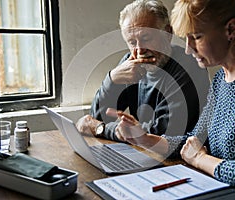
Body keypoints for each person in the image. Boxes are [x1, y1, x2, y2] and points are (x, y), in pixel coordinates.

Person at [113, 0, 235, 199]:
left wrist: (200, 159)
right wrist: (143, 138)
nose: (188, 49)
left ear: (230, 30)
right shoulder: (222, 78)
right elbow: (193, 141)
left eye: (196, 37)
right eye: (186, 38)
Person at [76, 0, 203, 141]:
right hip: (141, 152)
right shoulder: (130, 64)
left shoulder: (188, 66)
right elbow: (96, 118)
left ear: (167, 33)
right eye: (132, 42)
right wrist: (111, 80)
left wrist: (103, 129)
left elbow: (162, 133)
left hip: (178, 159)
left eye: (146, 38)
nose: (140, 49)